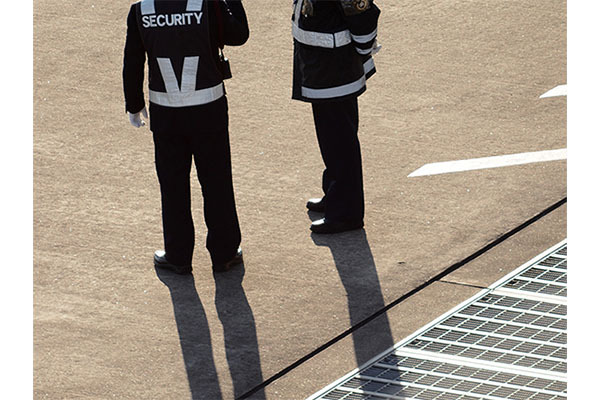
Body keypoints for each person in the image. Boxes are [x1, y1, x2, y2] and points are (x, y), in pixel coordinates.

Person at [122, 0, 249, 274]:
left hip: (167, 115)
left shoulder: (141, 11)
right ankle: (225, 252)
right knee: (217, 183)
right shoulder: (207, 4)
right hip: (208, 110)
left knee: (173, 187)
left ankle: (178, 256)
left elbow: (133, 61)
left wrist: (134, 103)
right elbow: (239, 34)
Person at [292, 0, 381, 234]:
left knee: (340, 144)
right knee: (331, 142)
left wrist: (362, 51)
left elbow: (362, 17)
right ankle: (336, 194)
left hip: (335, 68)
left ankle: (346, 213)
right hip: (321, 64)